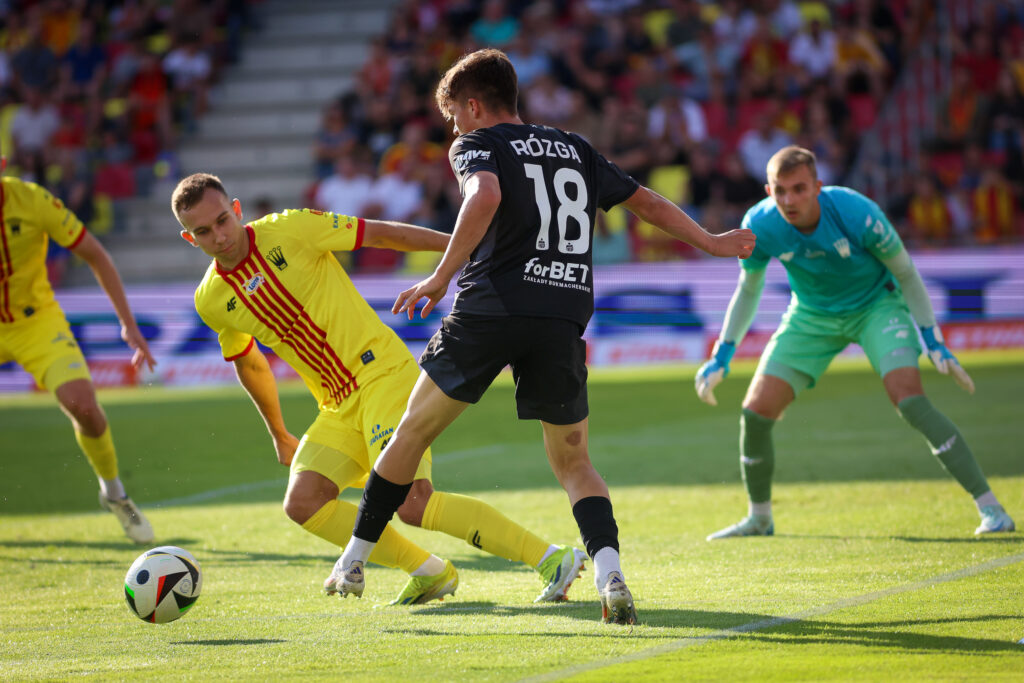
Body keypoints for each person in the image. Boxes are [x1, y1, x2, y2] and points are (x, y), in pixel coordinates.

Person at [333, 49, 756, 625]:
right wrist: (710, 241)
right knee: (574, 462)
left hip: (490, 310)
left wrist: (439, 276)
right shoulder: (575, 148)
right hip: (561, 313)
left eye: (455, 114)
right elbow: (646, 203)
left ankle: (354, 560)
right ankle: (610, 576)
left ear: (475, 106)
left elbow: (483, 196)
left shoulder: (476, 144)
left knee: (409, 433)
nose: (454, 127)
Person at [171, 172, 588, 606]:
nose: (219, 235)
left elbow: (384, 235)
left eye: (222, 220)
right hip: (337, 405)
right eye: (204, 231)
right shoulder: (211, 299)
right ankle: (429, 571)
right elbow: (249, 361)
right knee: (304, 502)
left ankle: (551, 558)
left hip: (383, 375)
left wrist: (468, 245)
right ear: (189, 238)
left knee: (413, 502)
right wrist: (278, 432)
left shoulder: (290, 228)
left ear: (236, 210)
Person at [696, 145, 1016, 540]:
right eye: (780, 190)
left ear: (818, 186)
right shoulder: (759, 224)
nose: (789, 200)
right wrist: (721, 355)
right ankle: (760, 518)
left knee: (911, 400)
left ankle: (992, 510)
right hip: (811, 315)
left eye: (799, 189)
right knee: (755, 413)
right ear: (767, 190)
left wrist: (933, 339)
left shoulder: (856, 212)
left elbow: (907, 273)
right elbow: (749, 288)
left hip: (876, 306)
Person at [0, 167, 156, 543]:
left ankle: (115, 493)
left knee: (83, 405)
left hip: (34, 322)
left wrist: (127, 324)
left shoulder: (32, 200)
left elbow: (95, 255)